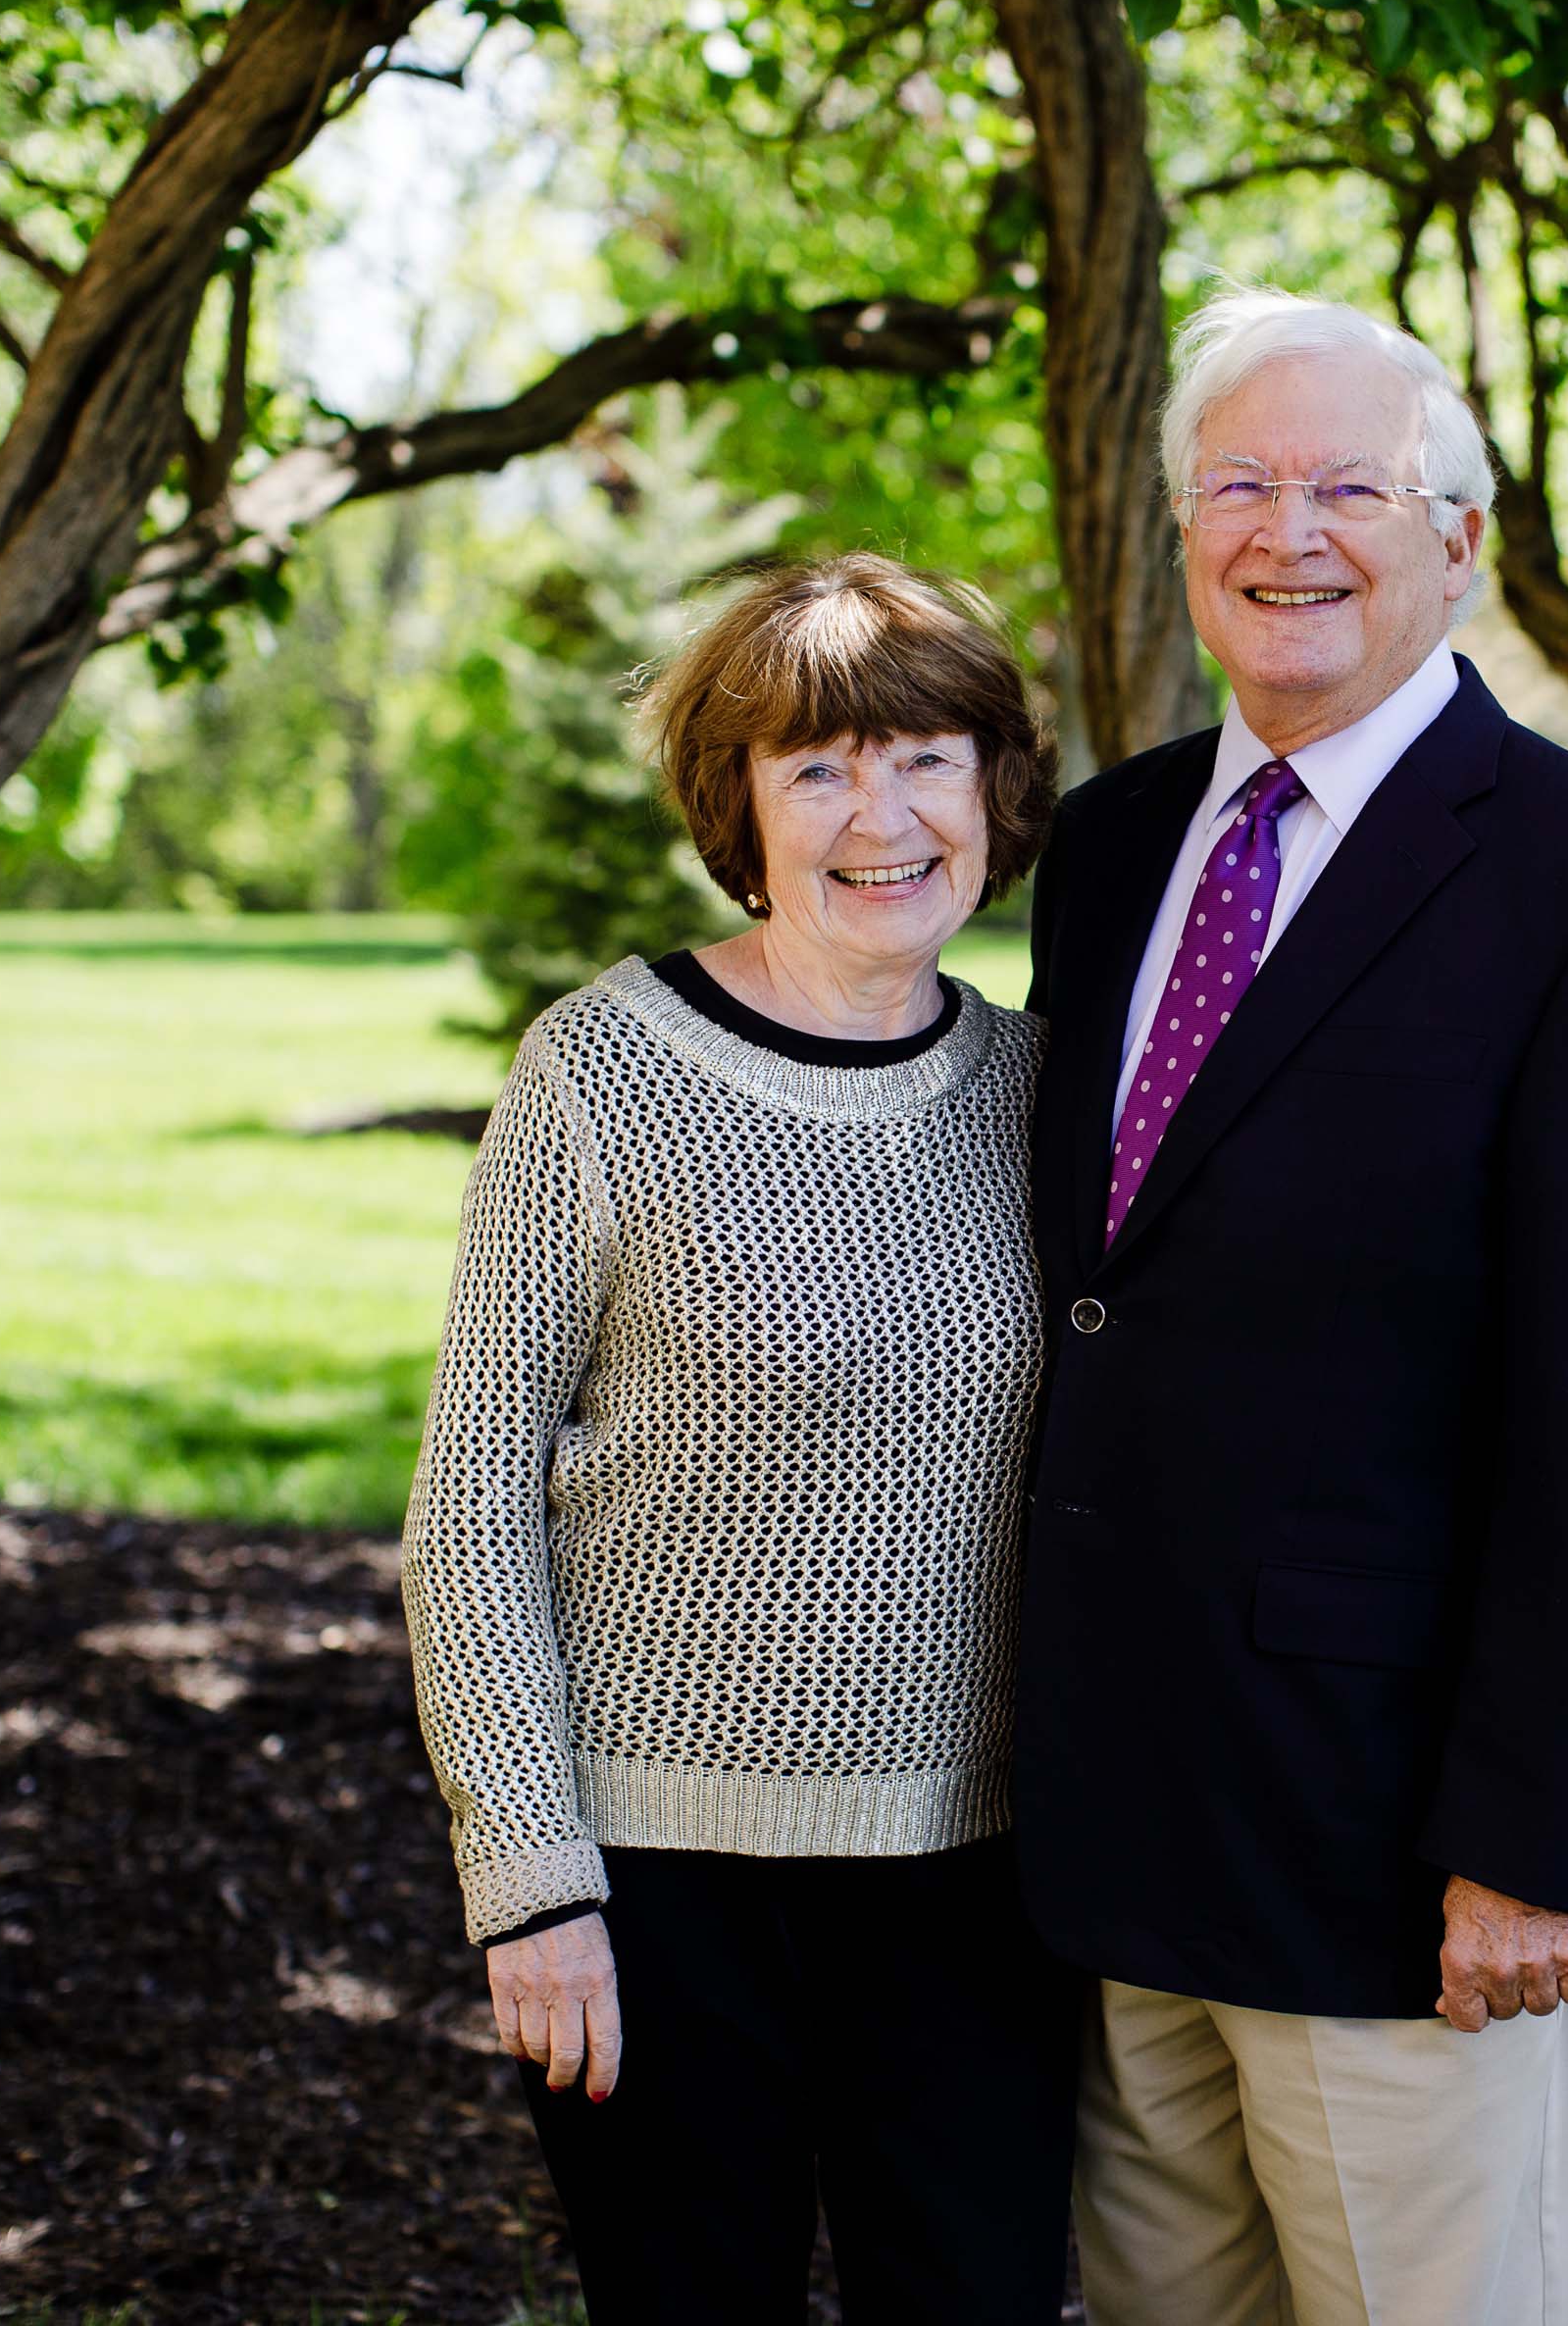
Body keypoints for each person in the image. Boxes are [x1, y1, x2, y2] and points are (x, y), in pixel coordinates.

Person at [1012, 287, 1568, 2324]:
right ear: (1181, 532)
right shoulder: (1110, 847)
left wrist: (1538, 1839)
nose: (1291, 529)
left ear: (1462, 541)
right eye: (1239, 483)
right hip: (1124, 1824)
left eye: (1352, 483)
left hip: (1402, 1867)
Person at [397, 552, 1076, 2323]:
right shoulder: (603, 1073)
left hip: (975, 1882)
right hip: (659, 1888)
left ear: (994, 794)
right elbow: (471, 1505)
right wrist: (529, 1880)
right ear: (740, 805)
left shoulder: (1042, 1092)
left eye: (928, 758)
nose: (884, 814)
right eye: (820, 767)